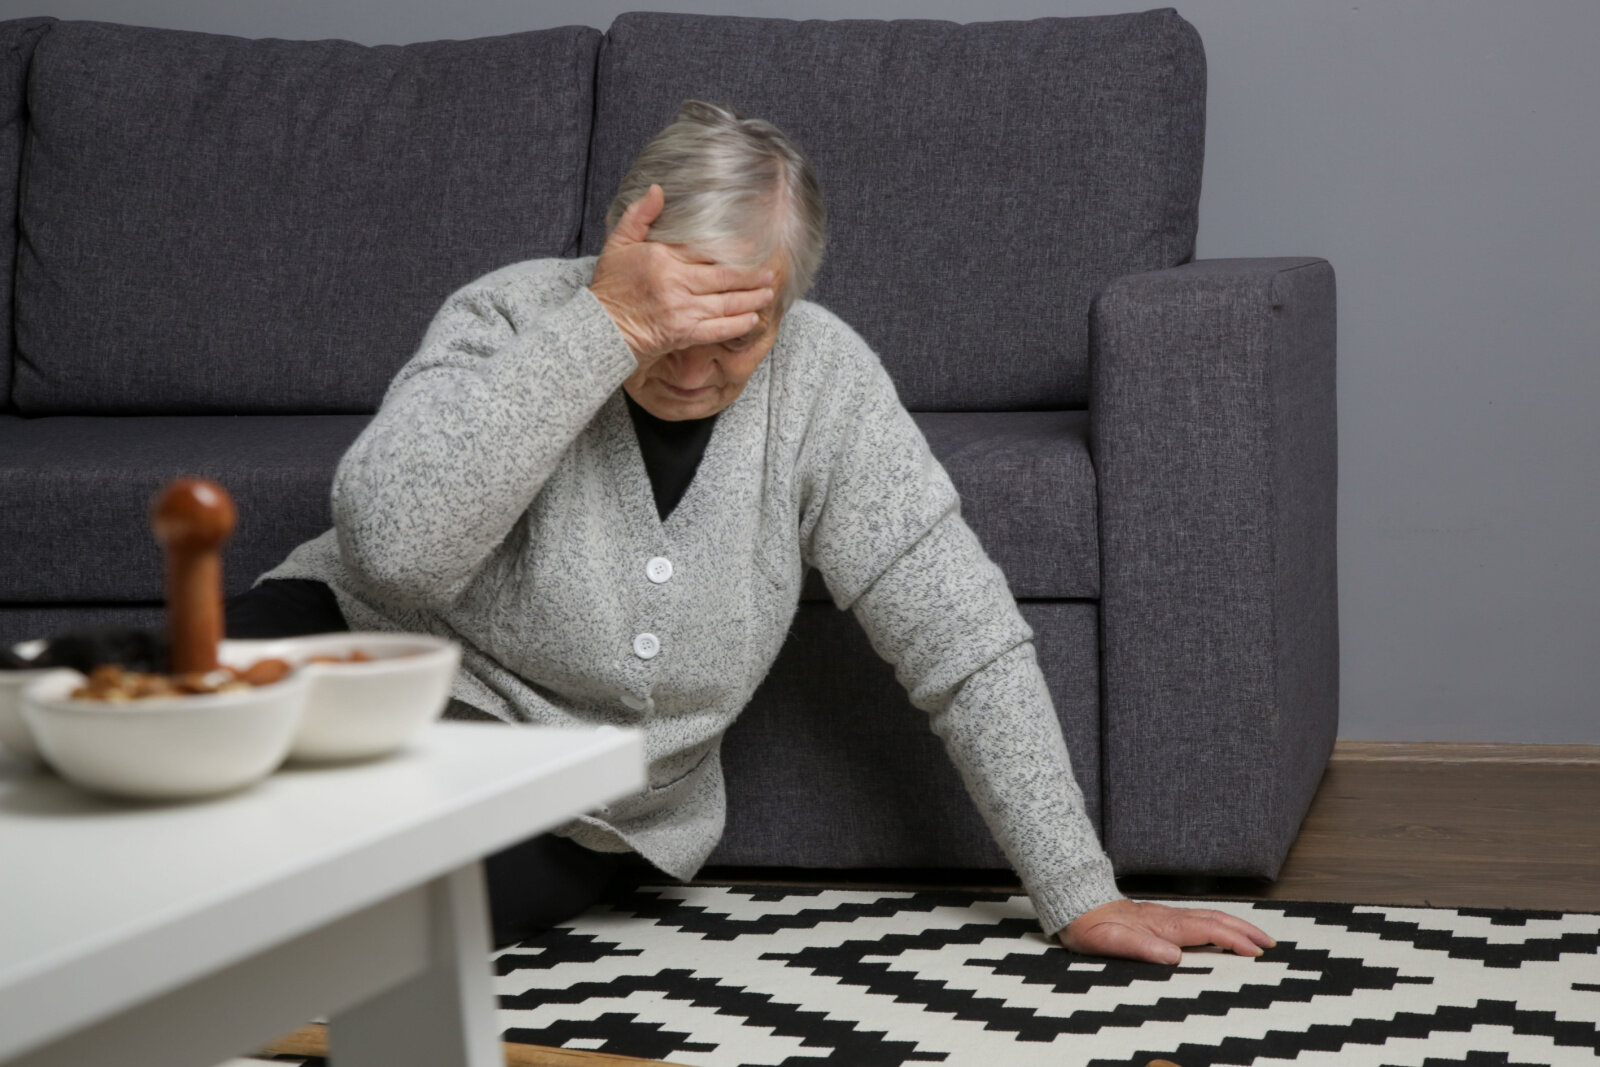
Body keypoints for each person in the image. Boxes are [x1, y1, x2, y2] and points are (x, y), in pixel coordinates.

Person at [230, 99, 1275, 965]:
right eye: (669, 321)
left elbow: (963, 636)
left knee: (349, 911)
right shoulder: (508, 313)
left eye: (737, 330)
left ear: (792, 299)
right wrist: (605, 330)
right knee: (133, 779)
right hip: (360, 650)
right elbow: (395, 553)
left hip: (573, 792)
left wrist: (1077, 889)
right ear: (620, 250)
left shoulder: (825, 377)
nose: (690, 365)